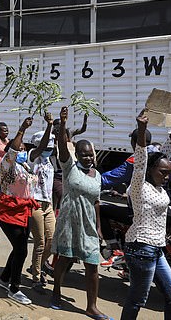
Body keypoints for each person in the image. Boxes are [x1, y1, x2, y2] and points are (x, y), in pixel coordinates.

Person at [121, 110, 171, 319]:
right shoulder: (139, 186)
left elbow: (166, 152)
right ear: (150, 170)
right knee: (137, 300)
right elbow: (141, 160)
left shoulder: (158, 185)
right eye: (163, 173)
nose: (167, 177)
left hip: (157, 248)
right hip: (140, 248)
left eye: (169, 173)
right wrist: (142, 129)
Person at [50, 106, 109, 320]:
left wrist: (99, 227)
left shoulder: (98, 175)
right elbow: (63, 149)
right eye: (83, 155)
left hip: (89, 225)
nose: (87, 158)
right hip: (69, 220)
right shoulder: (70, 168)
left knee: (92, 265)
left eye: (90, 155)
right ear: (78, 155)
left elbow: (96, 202)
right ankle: (56, 290)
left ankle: (91, 306)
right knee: (65, 260)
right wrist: (63, 123)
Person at [0, 117, 41, 305]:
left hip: (24, 210)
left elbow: (38, 150)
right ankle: (14, 288)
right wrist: (22, 129)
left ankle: (4, 279)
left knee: (19, 248)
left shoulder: (25, 166)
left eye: (24, 149)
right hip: (9, 211)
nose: (22, 151)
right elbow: (13, 150)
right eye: (19, 149)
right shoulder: (7, 164)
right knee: (21, 250)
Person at [28, 113, 56, 288]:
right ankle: (37, 277)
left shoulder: (49, 161)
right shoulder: (34, 156)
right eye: (47, 145)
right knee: (40, 243)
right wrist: (49, 126)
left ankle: (36, 266)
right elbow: (42, 146)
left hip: (48, 205)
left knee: (52, 242)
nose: (49, 148)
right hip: (35, 204)